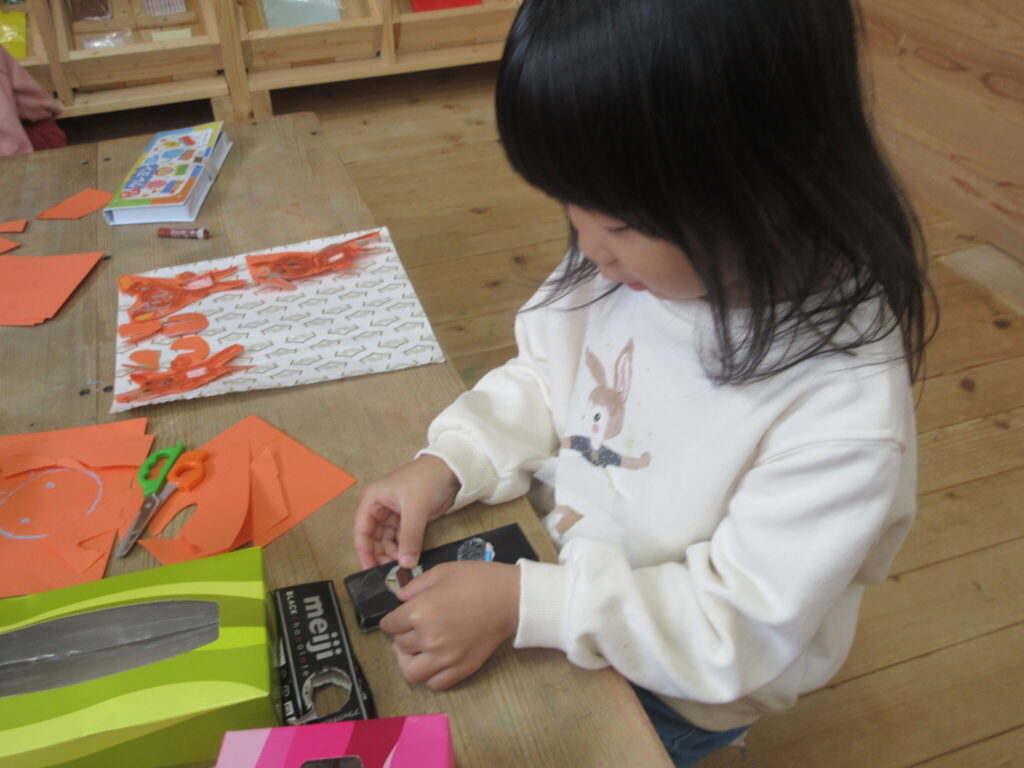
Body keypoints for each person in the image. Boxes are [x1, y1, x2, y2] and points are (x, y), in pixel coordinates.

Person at [353, 0, 934, 765]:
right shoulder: (638, 260)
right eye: (572, 208)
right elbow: (547, 376)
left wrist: (529, 603)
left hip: (678, 685)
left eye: (620, 223)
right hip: (554, 583)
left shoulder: (842, 410)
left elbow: (734, 628)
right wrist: (452, 461)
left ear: (767, 181)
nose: (591, 249)